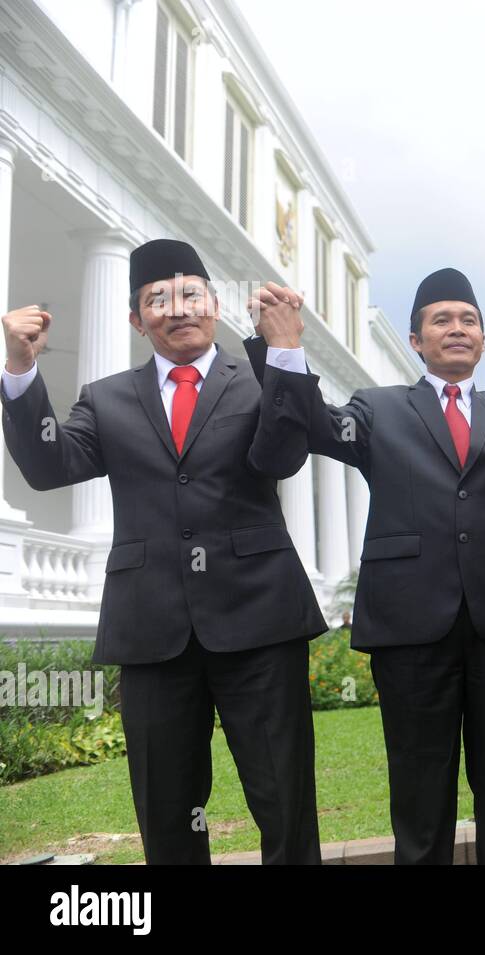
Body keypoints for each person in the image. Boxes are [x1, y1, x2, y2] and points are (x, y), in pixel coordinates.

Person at [246, 267, 485, 864]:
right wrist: (285, 349)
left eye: (469, 319)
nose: (457, 329)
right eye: (441, 320)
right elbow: (315, 426)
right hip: (409, 631)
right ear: (417, 340)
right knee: (420, 798)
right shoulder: (377, 410)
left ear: (482, 339)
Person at [1, 239, 327, 864]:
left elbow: (282, 457)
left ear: (215, 306)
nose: (177, 310)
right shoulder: (107, 398)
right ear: (135, 319)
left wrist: (286, 351)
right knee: (167, 811)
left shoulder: (262, 380)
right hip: (151, 631)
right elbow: (48, 466)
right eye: (158, 300)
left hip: (259, 622)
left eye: (191, 296)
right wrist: (19, 370)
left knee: (284, 800)